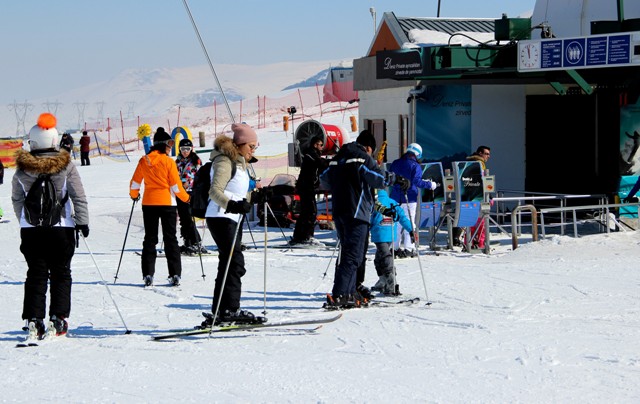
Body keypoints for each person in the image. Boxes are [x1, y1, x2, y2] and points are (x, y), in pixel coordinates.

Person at [11, 112, 89, 341]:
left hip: (32, 231)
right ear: (55, 141)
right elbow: (78, 196)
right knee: (61, 273)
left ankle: (34, 319)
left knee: (35, 274)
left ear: (32, 143)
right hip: (61, 228)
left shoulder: (22, 169)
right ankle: (59, 317)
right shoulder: (66, 166)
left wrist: (25, 220)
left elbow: (17, 200)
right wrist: (83, 221)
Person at [319, 129, 407, 309]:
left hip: (339, 212)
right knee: (353, 255)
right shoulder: (362, 158)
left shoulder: (338, 158)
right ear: (368, 147)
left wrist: (343, 183)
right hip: (357, 213)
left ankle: (350, 290)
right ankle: (341, 294)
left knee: (348, 253)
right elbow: (378, 179)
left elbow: (323, 180)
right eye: (372, 152)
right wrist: (397, 179)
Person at [199, 123, 265, 327]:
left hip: (231, 218)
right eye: (251, 146)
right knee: (234, 262)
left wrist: (259, 196)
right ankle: (229, 309)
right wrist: (233, 205)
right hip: (220, 217)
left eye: (255, 147)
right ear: (240, 144)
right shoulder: (224, 161)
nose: (253, 151)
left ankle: (222, 309)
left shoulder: (240, 164)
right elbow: (215, 191)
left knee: (228, 263)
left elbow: (239, 195)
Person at [129, 127, 190, 287]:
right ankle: (175, 273)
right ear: (163, 145)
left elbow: (135, 182)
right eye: (169, 144)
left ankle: (148, 274)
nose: (171, 147)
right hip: (167, 203)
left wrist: (134, 195)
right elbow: (176, 186)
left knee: (150, 238)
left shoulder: (145, 160)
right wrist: (186, 198)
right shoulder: (168, 162)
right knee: (170, 238)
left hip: (149, 203)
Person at [389, 143, 438, 258]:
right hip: (409, 198)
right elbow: (417, 182)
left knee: (396, 223)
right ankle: (409, 248)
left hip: (395, 197)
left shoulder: (396, 163)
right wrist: (430, 184)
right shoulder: (415, 166)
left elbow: (390, 179)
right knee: (409, 223)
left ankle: (394, 248)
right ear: (417, 154)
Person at [370, 189, 414, 295]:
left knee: (385, 257)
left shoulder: (373, 203)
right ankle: (383, 281)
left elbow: (368, 218)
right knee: (379, 258)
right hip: (391, 234)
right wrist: (411, 230)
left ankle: (390, 283)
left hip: (379, 234)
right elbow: (403, 218)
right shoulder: (393, 203)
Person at [290, 135, 329, 246]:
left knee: (306, 212)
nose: (322, 147)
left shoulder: (312, 154)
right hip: (306, 187)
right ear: (315, 145)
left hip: (308, 187)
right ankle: (306, 236)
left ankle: (299, 236)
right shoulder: (310, 154)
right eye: (321, 145)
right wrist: (333, 162)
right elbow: (320, 163)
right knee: (310, 212)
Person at [452, 145, 491, 247]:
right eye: (486, 154)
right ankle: (479, 243)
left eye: (489, 154)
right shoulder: (479, 164)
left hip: (466, 195)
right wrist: (488, 195)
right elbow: (482, 180)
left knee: (469, 220)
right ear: (480, 153)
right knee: (480, 221)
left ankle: (464, 241)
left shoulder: (467, 163)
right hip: (477, 196)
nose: (488, 156)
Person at [175, 138, 205, 255]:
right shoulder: (177, 162)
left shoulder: (195, 161)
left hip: (191, 192)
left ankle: (196, 241)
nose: (185, 151)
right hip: (179, 192)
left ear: (192, 149)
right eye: (183, 149)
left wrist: (189, 182)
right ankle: (187, 241)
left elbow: (198, 176)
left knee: (188, 217)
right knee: (183, 218)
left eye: (187, 149)